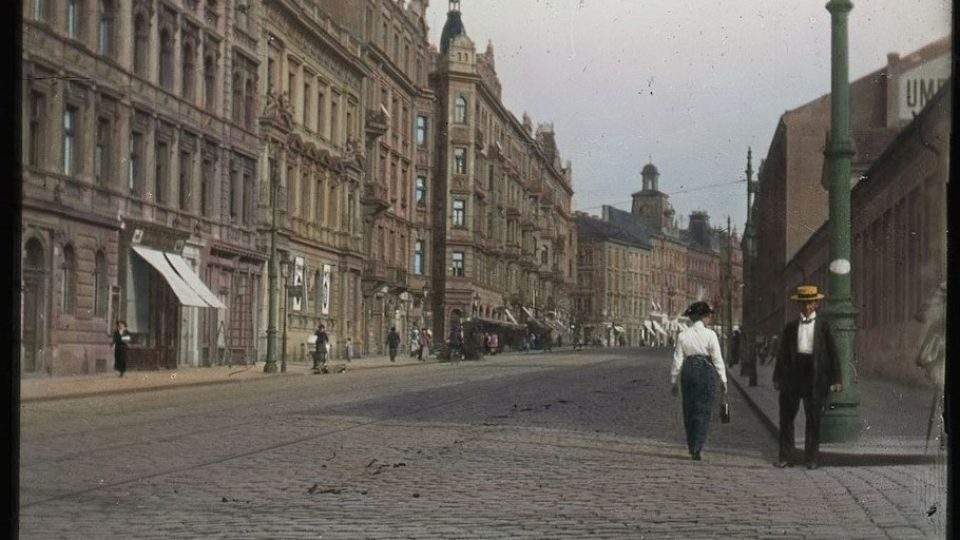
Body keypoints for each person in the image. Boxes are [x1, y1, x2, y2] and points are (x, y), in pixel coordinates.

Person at [773, 285, 842, 470]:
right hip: (793, 376)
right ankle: (786, 457)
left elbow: (833, 354)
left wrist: (836, 379)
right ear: (799, 305)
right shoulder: (790, 328)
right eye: (804, 303)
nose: (807, 307)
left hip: (814, 375)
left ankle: (811, 459)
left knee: (813, 419)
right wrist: (777, 377)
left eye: (811, 303)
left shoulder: (824, 327)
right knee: (786, 418)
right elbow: (782, 355)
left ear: (817, 304)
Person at [670, 302, 727, 461]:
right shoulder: (710, 335)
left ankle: (691, 444)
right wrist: (723, 379)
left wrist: (674, 381)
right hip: (705, 369)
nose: (710, 319)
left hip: (688, 370)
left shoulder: (683, 335)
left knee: (689, 408)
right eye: (709, 316)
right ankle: (698, 446)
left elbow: (677, 359)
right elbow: (717, 358)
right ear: (703, 317)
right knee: (703, 408)